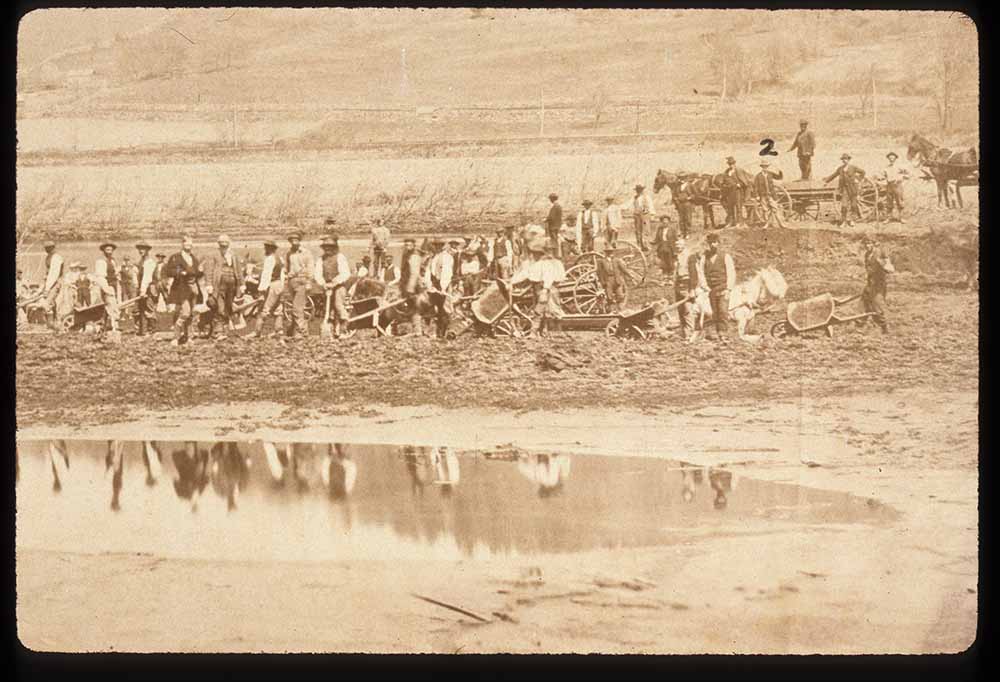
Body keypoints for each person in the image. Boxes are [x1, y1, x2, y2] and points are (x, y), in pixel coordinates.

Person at [202, 234, 245, 339]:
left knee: (228, 307)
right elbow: (208, 270)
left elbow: (238, 271)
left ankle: (224, 329)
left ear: (229, 244)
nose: (224, 245)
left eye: (226, 243)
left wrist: (242, 284)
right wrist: (209, 284)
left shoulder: (233, 255)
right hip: (219, 285)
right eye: (222, 243)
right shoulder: (213, 255)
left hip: (232, 285)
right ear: (219, 244)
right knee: (219, 307)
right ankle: (218, 332)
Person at [164, 235, 203, 346]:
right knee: (185, 312)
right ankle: (176, 337)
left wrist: (200, 271)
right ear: (182, 244)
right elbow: (169, 271)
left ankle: (189, 337)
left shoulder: (194, 258)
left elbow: (198, 273)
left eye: (190, 243)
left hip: (193, 289)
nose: (188, 245)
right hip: (181, 288)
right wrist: (180, 273)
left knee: (191, 313)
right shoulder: (175, 257)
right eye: (186, 243)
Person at [697, 232, 735, 343]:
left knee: (723, 311)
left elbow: (731, 273)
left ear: (718, 243)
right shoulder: (704, 257)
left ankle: (723, 334)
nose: (712, 245)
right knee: (715, 312)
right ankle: (717, 332)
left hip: (723, 288)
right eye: (710, 243)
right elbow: (701, 273)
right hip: (711, 290)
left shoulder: (725, 256)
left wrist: (729, 288)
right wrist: (705, 287)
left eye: (715, 242)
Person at [314, 235, 351, 337]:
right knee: (327, 309)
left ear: (335, 247)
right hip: (327, 287)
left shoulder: (340, 257)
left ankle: (345, 325)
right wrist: (323, 283)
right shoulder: (321, 259)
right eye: (326, 247)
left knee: (338, 305)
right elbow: (317, 273)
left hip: (339, 286)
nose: (328, 249)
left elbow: (345, 273)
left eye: (330, 247)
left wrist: (335, 282)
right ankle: (332, 329)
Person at [281, 231, 315, 339]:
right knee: (294, 308)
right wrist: (286, 276)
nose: (294, 242)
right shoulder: (289, 254)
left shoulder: (306, 253)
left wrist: (309, 282)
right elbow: (286, 268)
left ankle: (301, 332)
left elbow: (311, 268)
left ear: (299, 241)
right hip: (292, 282)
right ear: (290, 242)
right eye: (292, 240)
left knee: (297, 307)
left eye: (296, 240)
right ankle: (296, 330)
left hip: (302, 281)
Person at [861, 235, 894, 334]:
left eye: (869, 243)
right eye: (865, 244)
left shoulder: (880, 253)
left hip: (879, 284)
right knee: (863, 302)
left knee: (877, 305)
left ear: (873, 244)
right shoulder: (867, 255)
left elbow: (890, 267)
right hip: (870, 283)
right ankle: (859, 325)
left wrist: (885, 265)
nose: (867, 246)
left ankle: (884, 327)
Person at [823, 153, 866, 227]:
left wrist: (858, 179)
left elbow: (863, 172)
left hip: (853, 188)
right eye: (843, 159)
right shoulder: (840, 169)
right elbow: (834, 175)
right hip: (844, 189)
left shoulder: (853, 167)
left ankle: (852, 220)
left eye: (846, 159)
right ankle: (843, 222)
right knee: (844, 205)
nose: (844, 160)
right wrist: (826, 181)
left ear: (849, 160)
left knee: (853, 205)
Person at [254, 239, 285, 338]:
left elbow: (266, 275)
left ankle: (257, 331)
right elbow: (283, 273)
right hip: (279, 284)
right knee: (278, 308)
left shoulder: (269, 259)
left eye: (266, 247)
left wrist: (261, 289)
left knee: (264, 308)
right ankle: (279, 330)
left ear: (270, 248)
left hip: (272, 284)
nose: (265, 249)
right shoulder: (279, 258)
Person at [423, 239, 454, 339]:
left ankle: (447, 331)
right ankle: (435, 331)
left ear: (442, 246)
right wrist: (429, 284)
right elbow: (428, 272)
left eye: (439, 245)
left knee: (445, 309)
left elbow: (447, 272)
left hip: (444, 285)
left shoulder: (447, 257)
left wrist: (443, 287)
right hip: (434, 286)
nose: (437, 247)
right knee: (435, 309)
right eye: (435, 245)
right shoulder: (433, 258)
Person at [674, 237, 701, 341]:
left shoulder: (690, 256)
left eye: (679, 245)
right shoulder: (677, 256)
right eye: (676, 245)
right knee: (680, 310)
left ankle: (689, 334)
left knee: (687, 310)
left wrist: (692, 289)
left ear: (684, 245)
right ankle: (684, 333)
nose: (677, 247)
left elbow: (694, 274)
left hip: (687, 284)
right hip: (678, 284)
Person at [94, 242, 121, 333]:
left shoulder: (112, 261)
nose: (109, 252)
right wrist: (107, 289)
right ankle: (113, 327)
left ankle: (104, 326)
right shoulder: (101, 261)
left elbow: (114, 273)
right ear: (103, 251)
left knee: (111, 305)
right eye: (107, 250)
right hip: (106, 286)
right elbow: (101, 277)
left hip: (113, 285)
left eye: (111, 250)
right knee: (111, 305)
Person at [399, 238, 425, 336]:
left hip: (413, 287)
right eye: (406, 245)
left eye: (409, 245)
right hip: (405, 284)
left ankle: (417, 330)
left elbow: (414, 273)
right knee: (409, 307)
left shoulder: (414, 257)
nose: (407, 247)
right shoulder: (407, 255)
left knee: (415, 308)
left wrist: (410, 288)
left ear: (413, 246)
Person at [595, 243, 630, 312]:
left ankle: (620, 310)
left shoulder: (616, 260)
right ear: (605, 253)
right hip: (608, 280)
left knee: (620, 295)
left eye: (611, 252)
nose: (610, 253)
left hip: (616, 279)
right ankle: (610, 311)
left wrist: (629, 275)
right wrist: (602, 282)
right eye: (608, 252)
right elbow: (599, 273)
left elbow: (623, 269)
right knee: (609, 297)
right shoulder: (601, 261)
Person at [753, 160, 787, 229]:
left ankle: (781, 224)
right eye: (763, 167)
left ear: (767, 167)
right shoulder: (758, 176)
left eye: (766, 166)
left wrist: (780, 171)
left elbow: (779, 177)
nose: (765, 168)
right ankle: (767, 224)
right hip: (763, 196)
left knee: (775, 209)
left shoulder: (770, 174)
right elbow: (755, 187)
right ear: (761, 167)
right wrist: (756, 196)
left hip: (771, 195)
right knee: (766, 210)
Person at [134, 241, 158, 336]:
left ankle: (151, 330)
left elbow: (147, 278)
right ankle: (143, 331)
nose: (140, 251)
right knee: (141, 309)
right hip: (142, 288)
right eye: (139, 249)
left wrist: (143, 291)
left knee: (148, 309)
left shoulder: (149, 262)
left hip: (149, 289)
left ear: (148, 250)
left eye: (143, 249)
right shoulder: (141, 262)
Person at [40, 240, 65, 330]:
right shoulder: (48, 257)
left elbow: (54, 274)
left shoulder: (56, 258)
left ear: (53, 247)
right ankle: (52, 324)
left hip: (56, 282)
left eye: (49, 248)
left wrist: (47, 288)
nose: (47, 249)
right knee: (50, 303)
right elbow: (47, 273)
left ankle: (52, 325)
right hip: (50, 282)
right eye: (46, 248)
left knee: (47, 303)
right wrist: (43, 286)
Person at [720, 156, 751, 228]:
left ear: (734, 163)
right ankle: (731, 222)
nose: (731, 165)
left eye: (732, 164)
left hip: (738, 192)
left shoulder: (739, 170)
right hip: (729, 192)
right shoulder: (727, 172)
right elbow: (724, 181)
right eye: (729, 164)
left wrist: (739, 184)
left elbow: (745, 181)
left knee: (738, 207)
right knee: (730, 207)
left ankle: (740, 223)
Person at [878, 151, 909, 224]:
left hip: (897, 185)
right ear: (888, 158)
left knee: (899, 202)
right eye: (890, 157)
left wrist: (902, 177)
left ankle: (901, 218)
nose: (891, 158)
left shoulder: (900, 166)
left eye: (893, 157)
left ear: (895, 158)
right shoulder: (886, 167)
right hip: (889, 186)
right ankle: (889, 218)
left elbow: (908, 174)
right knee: (889, 202)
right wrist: (880, 178)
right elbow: (883, 176)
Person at [653, 216, 679, 283]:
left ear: (669, 222)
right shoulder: (660, 229)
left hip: (670, 247)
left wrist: (676, 249)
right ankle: (665, 278)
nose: (665, 223)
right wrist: (653, 243)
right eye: (663, 222)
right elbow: (657, 239)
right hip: (662, 247)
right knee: (663, 262)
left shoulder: (673, 229)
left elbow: (676, 239)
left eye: (666, 221)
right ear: (662, 222)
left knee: (670, 262)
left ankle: (670, 279)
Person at [631, 184, 655, 252]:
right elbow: (628, 204)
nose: (638, 191)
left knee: (646, 230)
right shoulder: (635, 198)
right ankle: (639, 245)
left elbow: (651, 206)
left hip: (645, 215)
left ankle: (646, 245)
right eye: (637, 190)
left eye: (640, 190)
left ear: (642, 190)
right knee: (638, 231)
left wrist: (652, 214)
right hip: (637, 216)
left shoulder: (647, 197)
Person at [672, 173, 693, 238]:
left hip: (687, 203)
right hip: (680, 204)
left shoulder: (690, 185)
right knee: (681, 219)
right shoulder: (677, 186)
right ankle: (682, 232)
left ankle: (687, 232)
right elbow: (674, 195)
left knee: (688, 218)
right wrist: (676, 199)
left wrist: (689, 198)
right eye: (680, 178)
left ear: (686, 178)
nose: (681, 179)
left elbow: (695, 194)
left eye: (683, 178)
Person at [545, 193, 563, 258]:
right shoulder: (559, 206)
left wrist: (546, 219)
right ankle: (557, 254)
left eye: (550, 199)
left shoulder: (555, 206)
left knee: (554, 241)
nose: (550, 200)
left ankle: (556, 255)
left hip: (553, 227)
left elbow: (552, 217)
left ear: (552, 199)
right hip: (557, 226)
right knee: (555, 240)